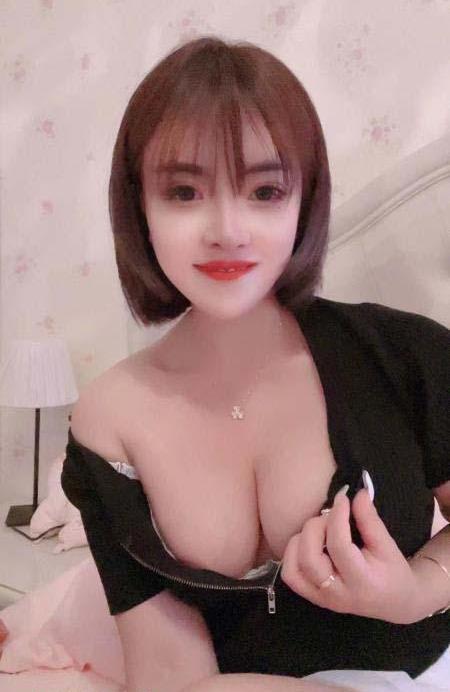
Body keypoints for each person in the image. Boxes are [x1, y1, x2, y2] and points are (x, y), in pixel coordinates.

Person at [61, 36, 450, 692]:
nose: (227, 229)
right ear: (139, 208)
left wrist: (416, 590)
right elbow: (169, 674)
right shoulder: (108, 420)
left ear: (304, 203)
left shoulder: (404, 353)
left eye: (265, 191)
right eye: (184, 192)